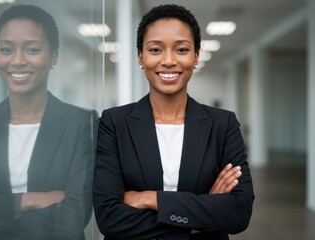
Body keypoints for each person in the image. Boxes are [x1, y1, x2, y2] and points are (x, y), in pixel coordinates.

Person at [93, 4, 254, 240]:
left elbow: (238, 213)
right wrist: (203, 214)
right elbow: (109, 217)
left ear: (196, 56)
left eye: (181, 49)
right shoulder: (114, 122)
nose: (168, 61)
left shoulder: (223, 124)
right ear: (140, 57)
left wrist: (150, 198)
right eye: (156, 50)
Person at [0, 4, 98, 240]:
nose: (17, 60)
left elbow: (74, 215)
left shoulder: (82, 123)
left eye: (32, 49)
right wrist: (29, 200)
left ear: (53, 57)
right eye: (6, 49)